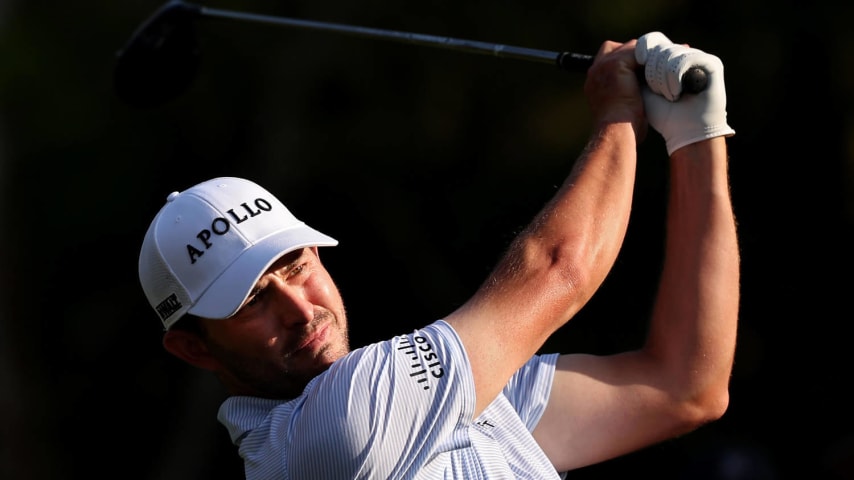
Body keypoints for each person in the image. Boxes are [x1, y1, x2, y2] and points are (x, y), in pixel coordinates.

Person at [138, 31, 739, 479]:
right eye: (252, 301)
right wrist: (617, 115)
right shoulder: (329, 435)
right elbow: (559, 270)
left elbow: (684, 386)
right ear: (193, 346)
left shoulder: (430, 404)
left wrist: (697, 136)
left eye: (297, 265)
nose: (300, 308)